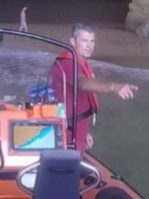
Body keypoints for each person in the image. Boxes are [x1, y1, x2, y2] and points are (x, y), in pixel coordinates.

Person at [49, 22, 136, 157]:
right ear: (73, 41)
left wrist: (84, 131)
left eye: (92, 41)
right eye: (84, 40)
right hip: (66, 132)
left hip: (76, 128)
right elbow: (81, 83)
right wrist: (113, 87)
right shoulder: (68, 64)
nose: (89, 45)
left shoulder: (80, 62)